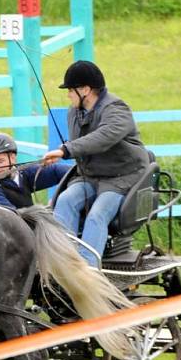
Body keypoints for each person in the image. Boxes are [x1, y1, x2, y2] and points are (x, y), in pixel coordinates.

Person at [42, 60, 151, 267]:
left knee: (97, 214)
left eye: (70, 90)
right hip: (90, 176)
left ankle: (87, 271)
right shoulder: (73, 111)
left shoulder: (117, 109)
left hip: (122, 177)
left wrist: (66, 150)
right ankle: (61, 262)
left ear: (85, 90)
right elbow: (81, 143)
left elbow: (103, 137)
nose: (68, 95)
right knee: (64, 200)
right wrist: (63, 151)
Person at [0, 132, 71, 210]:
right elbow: (14, 220)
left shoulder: (22, 173)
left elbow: (57, 171)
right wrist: (47, 210)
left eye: (0, 161)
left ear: (13, 158)